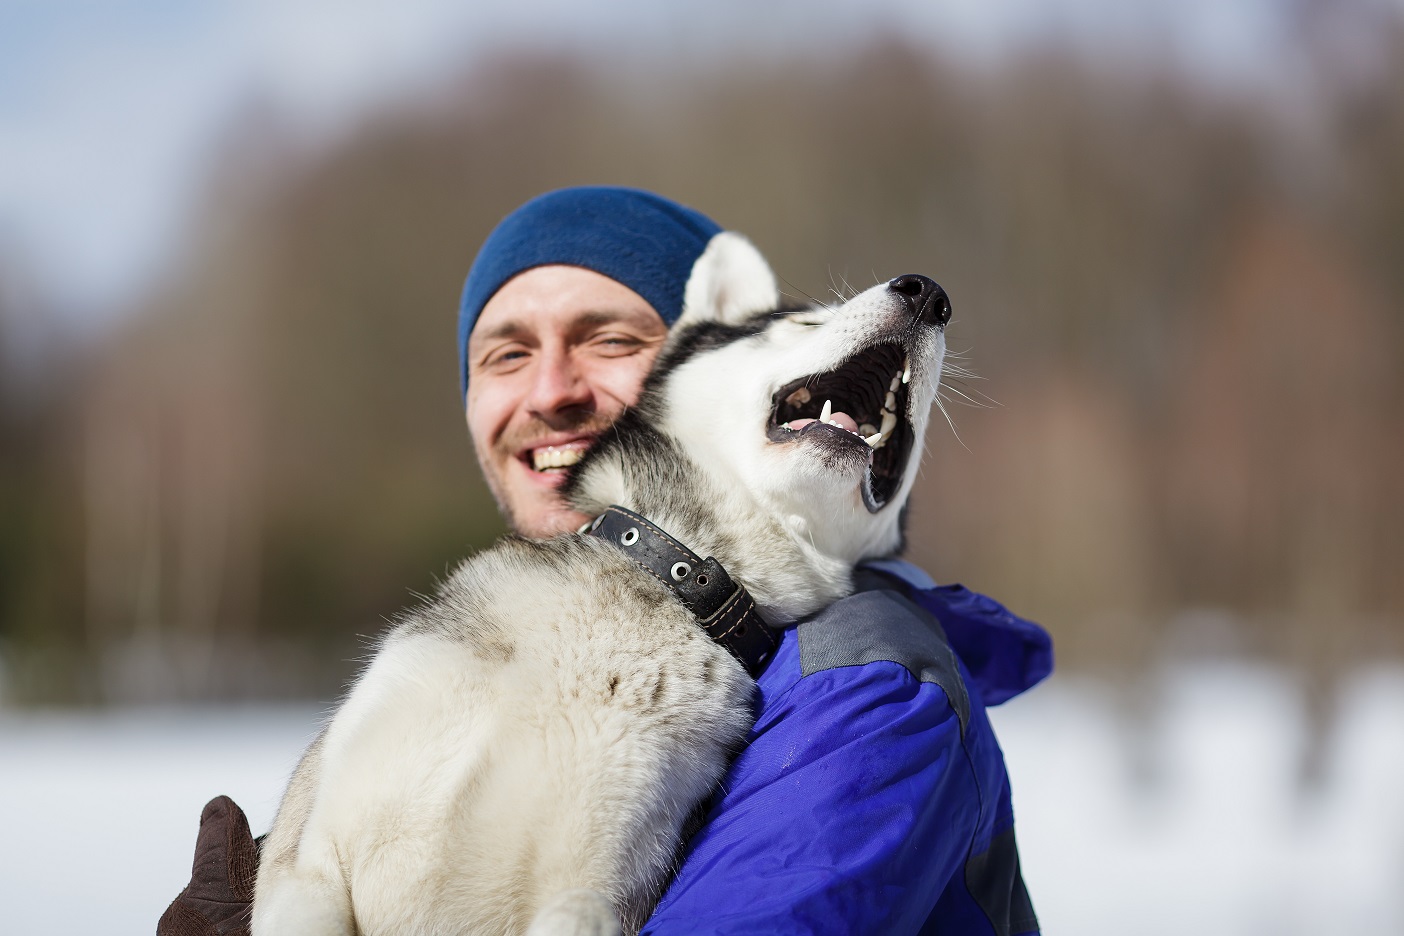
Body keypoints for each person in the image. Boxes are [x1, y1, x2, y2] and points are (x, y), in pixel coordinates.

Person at [160, 186, 1052, 936]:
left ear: (693, 362)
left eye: (612, 340)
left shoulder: (867, 683)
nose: (550, 391)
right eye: (507, 354)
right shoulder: (494, 621)